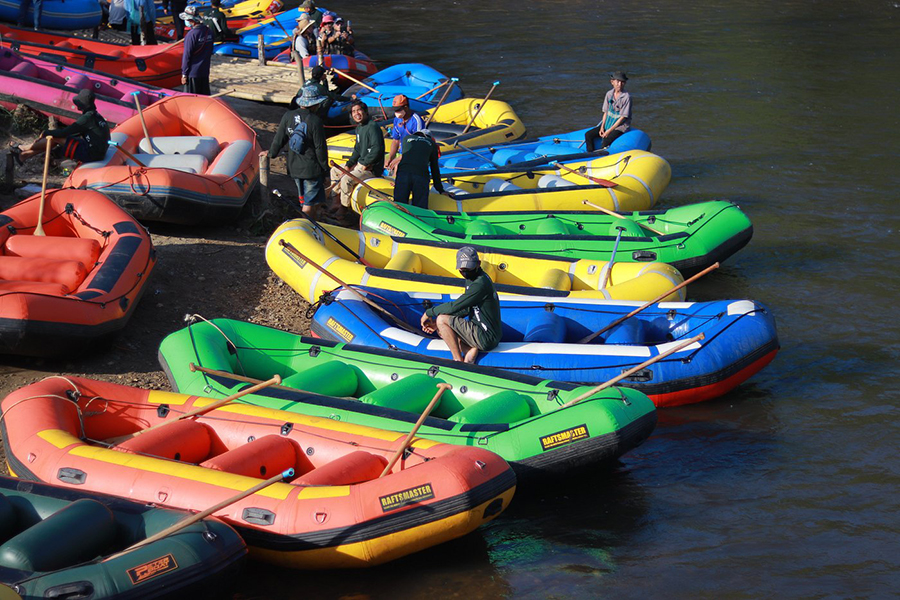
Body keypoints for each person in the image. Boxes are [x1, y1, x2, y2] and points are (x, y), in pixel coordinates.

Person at [420, 246, 502, 363]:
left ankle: (458, 360)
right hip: (484, 333)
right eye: (462, 270)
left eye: (468, 269)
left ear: (478, 264)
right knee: (442, 327)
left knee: (442, 320)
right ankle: (469, 350)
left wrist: (429, 313)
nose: (465, 273)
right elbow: (466, 308)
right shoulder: (473, 278)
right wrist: (438, 326)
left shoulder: (480, 284)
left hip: (486, 337)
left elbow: (455, 306)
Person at [268, 85, 329, 218]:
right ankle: (305, 226)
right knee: (308, 202)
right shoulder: (315, 121)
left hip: (293, 166)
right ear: (315, 104)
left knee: (305, 199)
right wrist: (326, 170)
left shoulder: (288, 116)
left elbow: (279, 139)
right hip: (311, 169)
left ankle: (313, 223)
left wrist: (270, 154)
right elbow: (320, 148)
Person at [10, 89, 110, 166]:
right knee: (54, 139)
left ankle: (23, 148)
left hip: (91, 154)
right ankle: (22, 156)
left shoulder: (87, 118)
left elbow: (64, 133)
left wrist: (46, 132)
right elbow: (74, 132)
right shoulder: (95, 116)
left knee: (55, 137)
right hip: (97, 151)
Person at [329, 99, 384, 218]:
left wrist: (366, 163)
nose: (356, 113)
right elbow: (357, 149)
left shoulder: (372, 127)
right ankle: (336, 201)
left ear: (365, 112)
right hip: (359, 164)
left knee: (346, 179)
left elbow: (377, 149)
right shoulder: (359, 128)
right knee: (334, 171)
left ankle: (344, 209)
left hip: (370, 168)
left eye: (359, 110)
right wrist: (349, 164)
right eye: (353, 111)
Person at [394, 129, 448, 209]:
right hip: (420, 176)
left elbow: (405, 158)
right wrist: (440, 189)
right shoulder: (432, 143)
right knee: (420, 208)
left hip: (403, 173)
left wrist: (396, 180)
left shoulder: (406, 139)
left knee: (399, 205)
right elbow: (434, 168)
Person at [584, 71, 632, 151]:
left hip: (620, 126)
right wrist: (602, 127)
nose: (619, 84)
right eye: (618, 81)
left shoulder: (626, 97)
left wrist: (609, 131)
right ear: (612, 82)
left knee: (606, 140)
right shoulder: (609, 94)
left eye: (622, 82)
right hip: (608, 123)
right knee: (588, 135)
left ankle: (603, 157)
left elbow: (622, 118)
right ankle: (590, 155)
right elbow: (605, 112)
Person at [180, 6, 214, 95]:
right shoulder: (208, 32)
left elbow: (187, 56)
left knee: (191, 100)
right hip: (205, 71)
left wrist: (184, 74)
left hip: (193, 73)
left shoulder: (191, 35)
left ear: (191, 21)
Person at [386, 95, 424, 174]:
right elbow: (396, 141)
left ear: (406, 107)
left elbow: (418, 145)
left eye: (398, 110)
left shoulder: (416, 121)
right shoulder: (397, 120)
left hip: (414, 155)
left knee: (399, 167)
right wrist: (390, 158)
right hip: (402, 153)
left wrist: (400, 159)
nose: (396, 113)